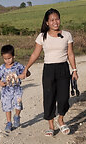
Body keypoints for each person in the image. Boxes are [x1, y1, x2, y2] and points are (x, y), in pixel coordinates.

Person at [20, 8, 78, 136]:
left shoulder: (67, 35)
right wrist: (26, 68)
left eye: (57, 19)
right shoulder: (42, 36)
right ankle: (51, 125)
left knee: (64, 98)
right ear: (47, 22)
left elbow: (71, 54)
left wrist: (74, 70)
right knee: (49, 97)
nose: (55, 22)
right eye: (52, 20)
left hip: (63, 68)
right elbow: (35, 53)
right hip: (49, 70)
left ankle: (61, 120)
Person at [0, 45, 30, 132]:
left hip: (17, 90)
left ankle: (17, 116)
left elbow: (27, 72)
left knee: (18, 105)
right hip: (6, 91)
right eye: (5, 59)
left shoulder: (18, 66)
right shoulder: (2, 67)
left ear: (13, 56)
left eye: (9, 58)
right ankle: (8, 122)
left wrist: (24, 74)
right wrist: (0, 82)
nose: (7, 60)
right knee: (7, 107)